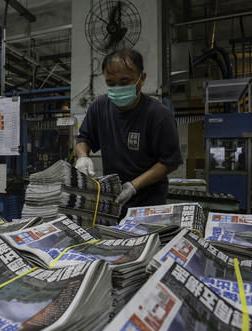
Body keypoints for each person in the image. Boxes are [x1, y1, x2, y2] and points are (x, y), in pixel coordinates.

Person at [74, 49, 183, 217]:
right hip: (113, 200)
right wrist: (82, 156)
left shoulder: (159, 115)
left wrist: (133, 186)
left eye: (125, 82)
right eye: (111, 83)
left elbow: (170, 162)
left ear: (142, 78)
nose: (117, 88)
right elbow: (84, 138)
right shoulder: (99, 107)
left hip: (148, 203)